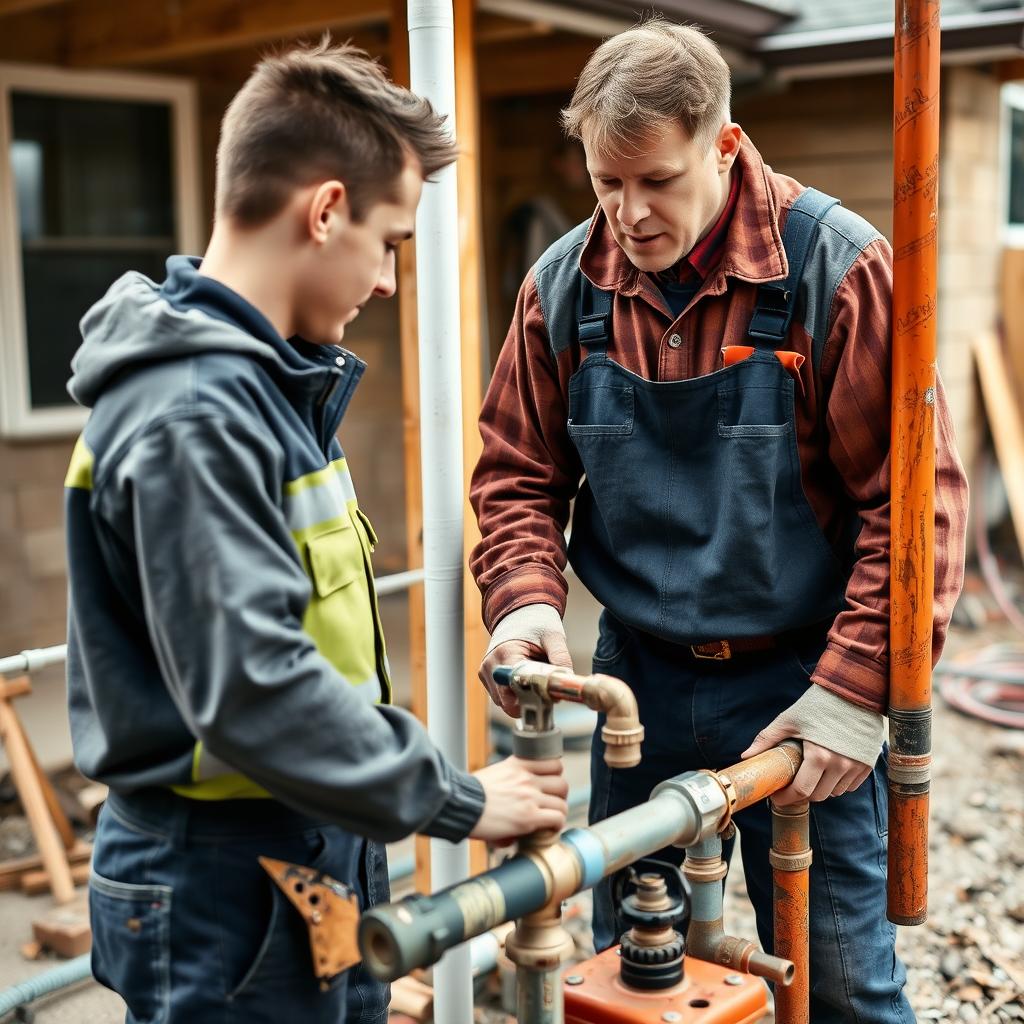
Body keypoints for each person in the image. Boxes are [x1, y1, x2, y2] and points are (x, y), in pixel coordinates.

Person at [471, 18, 966, 1023]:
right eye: (605, 184)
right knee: (625, 979)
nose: (626, 211)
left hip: (800, 680)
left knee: (838, 987)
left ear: (724, 145)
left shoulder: (837, 269)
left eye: (653, 179)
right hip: (634, 680)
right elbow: (517, 475)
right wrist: (522, 607)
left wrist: (856, 688)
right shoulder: (562, 290)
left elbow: (912, 509)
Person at [64, 39, 567, 1024]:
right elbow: (252, 682)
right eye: (387, 241)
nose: (387, 280)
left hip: (301, 851)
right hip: (218, 881)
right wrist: (457, 800)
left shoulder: (266, 389)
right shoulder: (194, 413)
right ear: (325, 209)